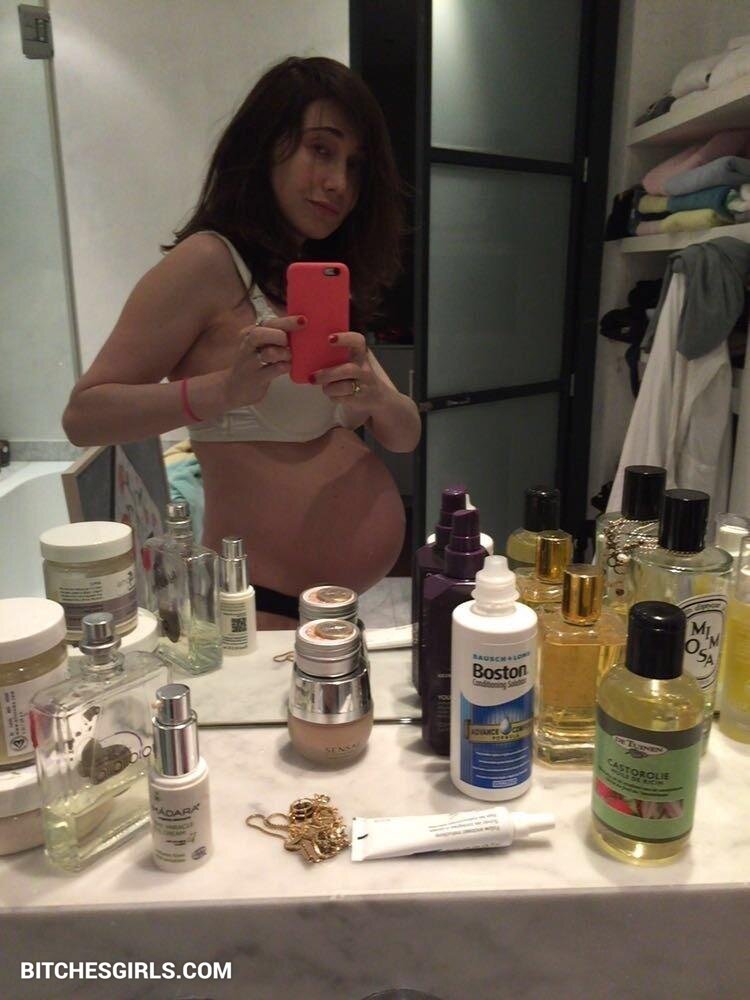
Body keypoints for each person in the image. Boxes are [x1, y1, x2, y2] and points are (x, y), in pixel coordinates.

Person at [63, 56, 421, 630]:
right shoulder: (207, 262)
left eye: (356, 166)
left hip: (331, 608)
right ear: (265, 145)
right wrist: (224, 390)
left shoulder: (310, 279)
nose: (340, 182)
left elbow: (404, 436)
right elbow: (84, 416)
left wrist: (378, 397)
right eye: (322, 149)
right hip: (258, 605)